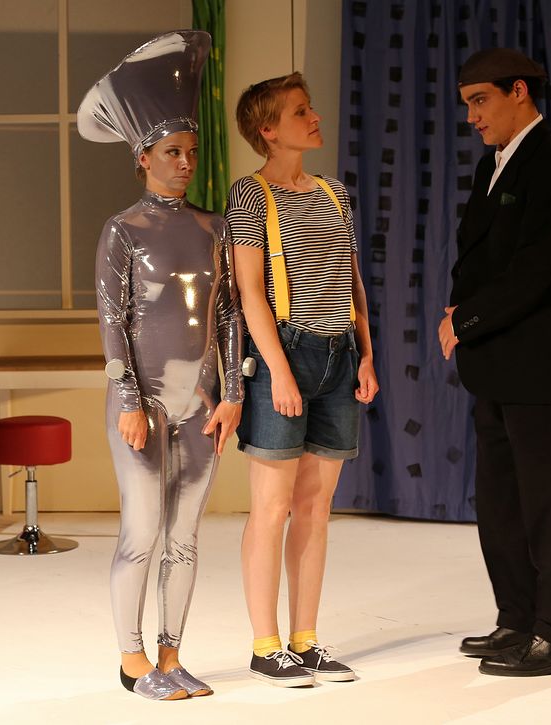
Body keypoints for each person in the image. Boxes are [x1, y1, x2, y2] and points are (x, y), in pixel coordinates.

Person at [78, 31, 244, 700]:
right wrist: (128, 401)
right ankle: (132, 659)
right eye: (173, 152)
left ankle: (172, 655)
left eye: (192, 152)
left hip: (200, 406)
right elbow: (112, 322)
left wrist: (232, 394)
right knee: (141, 533)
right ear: (142, 157)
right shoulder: (122, 231)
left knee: (185, 537)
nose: (185, 163)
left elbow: (228, 314)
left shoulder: (214, 228)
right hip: (142, 406)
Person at [438, 48, 551, 677]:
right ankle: (520, 620)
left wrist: (464, 321)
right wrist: (462, 313)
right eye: (467, 105)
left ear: (520, 92)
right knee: (502, 505)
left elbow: (537, 272)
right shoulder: (492, 166)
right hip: (497, 365)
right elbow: (479, 259)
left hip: (542, 366)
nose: (472, 116)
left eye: (480, 100)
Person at [225, 72, 378, 687]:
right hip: (282, 355)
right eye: (299, 112)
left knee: (316, 506)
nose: (314, 118)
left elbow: (351, 281)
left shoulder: (335, 193)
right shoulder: (250, 194)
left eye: (310, 109)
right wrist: (280, 373)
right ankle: (266, 646)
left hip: (338, 354)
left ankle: (305, 639)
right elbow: (250, 294)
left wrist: (366, 354)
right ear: (268, 130)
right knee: (272, 506)